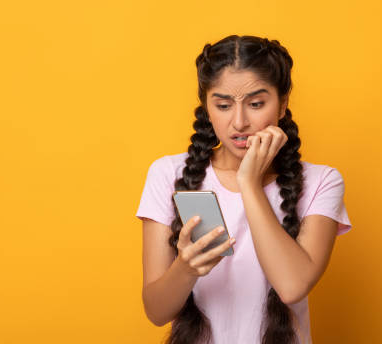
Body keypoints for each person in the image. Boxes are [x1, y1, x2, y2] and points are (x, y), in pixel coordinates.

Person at [135, 35, 352, 344]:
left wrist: (249, 182)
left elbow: (292, 286)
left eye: (256, 104)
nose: (239, 122)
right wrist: (185, 268)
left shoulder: (323, 182)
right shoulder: (167, 174)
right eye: (223, 105)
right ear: (206, 106)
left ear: (283, 102)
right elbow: (156, 312)